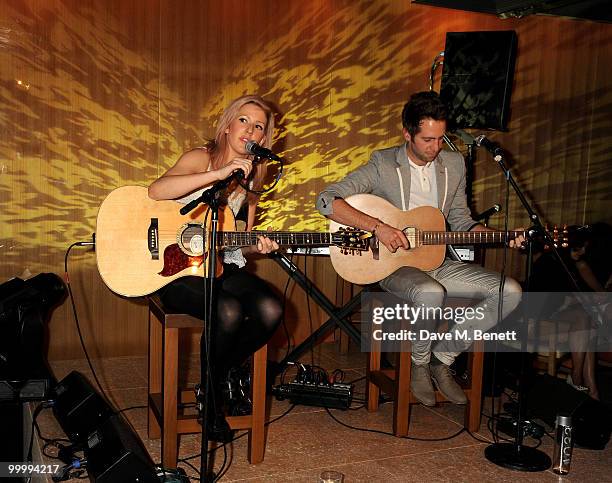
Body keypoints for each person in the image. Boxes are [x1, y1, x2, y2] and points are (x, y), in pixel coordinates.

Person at [316, 91, 524, 407]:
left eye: (441, 139)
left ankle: (443, 358)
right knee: (430, 292)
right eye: (427, 139)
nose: (436, 147)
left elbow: (461, 222)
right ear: (407, 133)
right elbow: (326, 200)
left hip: (436, 259)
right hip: (393, 266)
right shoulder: (383, 163)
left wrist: (503, 236)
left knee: (510, 290)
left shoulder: (454, 165)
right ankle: (419, 363)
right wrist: (378, 227)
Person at [148, 94, 283, 441]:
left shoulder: (253, 182)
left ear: (263, 139)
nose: (251, 129)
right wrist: (221, 173)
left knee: (271, 308)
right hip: (172, 267)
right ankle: (212, 400)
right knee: (227, 310)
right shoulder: (200, 158)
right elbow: (156, 190)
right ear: (226, 126)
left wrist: (258, 246)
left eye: (259, 127)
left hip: (217, 264)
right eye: (244, 121)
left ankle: (218, 375)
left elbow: (240, 242)